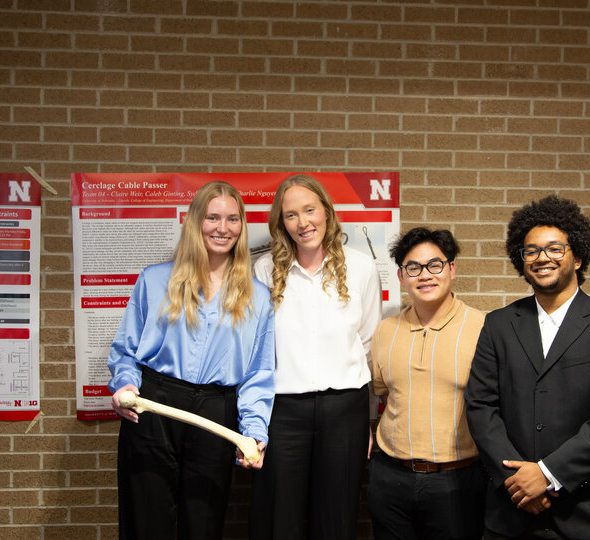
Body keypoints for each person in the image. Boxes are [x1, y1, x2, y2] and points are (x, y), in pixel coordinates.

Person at [465, 195, 590, 540]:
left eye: (554, 249)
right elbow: (481, 406)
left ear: (577, 256)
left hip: (589, 515)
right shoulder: (499, 325)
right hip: (511, 513)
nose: (541, 258)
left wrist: (546, 475)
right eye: (531, 251)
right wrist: (518, 481)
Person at [107, 181, 275, 540]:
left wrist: (254, 430)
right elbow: (126, 350)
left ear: (242, 226)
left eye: (233, 219)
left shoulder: (257, 298)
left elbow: (259, 373)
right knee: (146, 521)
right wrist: (124, 383)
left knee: (203, 524)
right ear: (195, 221)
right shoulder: (154, 280)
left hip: (216, 411)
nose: (223, 228)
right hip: (154, 406)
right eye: (213, 217)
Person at [250, 174, 382, 540]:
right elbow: (256, 351)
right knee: (279, 517)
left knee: (337, 518)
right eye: (291, 215)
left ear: (326, 211)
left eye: (309, 210)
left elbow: (368, 342)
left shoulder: (360, 268)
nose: (303, 222)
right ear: (281, 223)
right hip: (283, 412)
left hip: (344, 410)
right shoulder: (264, 271)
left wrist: (366, 422)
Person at [367, 227, 487, 540]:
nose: (425, 275)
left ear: (451, 269)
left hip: (457, 480)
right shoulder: (384, 331)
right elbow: (381, 392)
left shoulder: (483, 328)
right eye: (413, 268)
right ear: (401, 276)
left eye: (435, 265)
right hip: (390, 476)